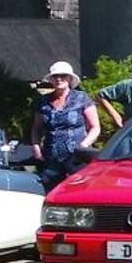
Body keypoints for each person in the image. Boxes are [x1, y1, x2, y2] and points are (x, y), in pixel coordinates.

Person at [29, 60, 100, 188]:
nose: (59, 79)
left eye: (63, 76)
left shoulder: (81, 98)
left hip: (77, 160)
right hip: (51, 159)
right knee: (49, 192)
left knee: (78, 192)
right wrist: (35, 147)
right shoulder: (43, 101)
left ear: (70, 78)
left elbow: (95, 127)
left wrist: (83, 146)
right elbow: (37, 127)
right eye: (56, 76)